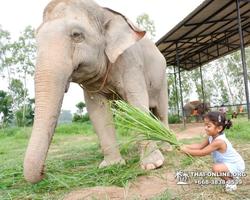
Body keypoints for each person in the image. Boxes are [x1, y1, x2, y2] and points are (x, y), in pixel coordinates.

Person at [178, 112, 245, 192]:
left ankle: (231, 181)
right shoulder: (211, 137)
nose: (205, 128)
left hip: (236, 165)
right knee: (216, 167)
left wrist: (186, 151)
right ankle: (229, 179)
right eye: (205, 125)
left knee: (215, 168)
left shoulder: (219, 141)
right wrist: (184, 146)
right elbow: (199, 146)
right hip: (228, 164)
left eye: (208, 126)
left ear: (219, 128)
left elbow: (203, 152)